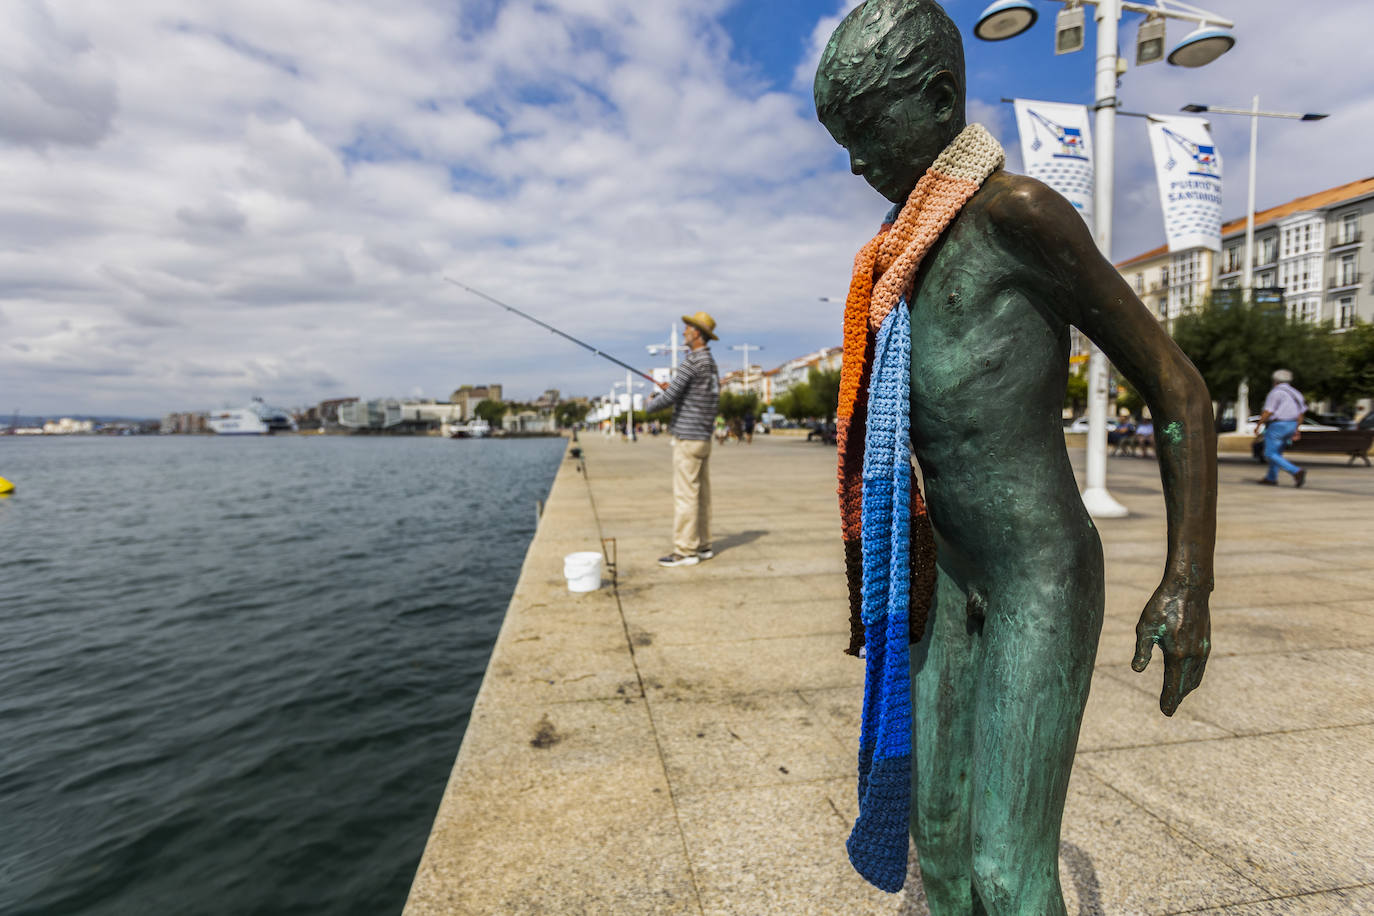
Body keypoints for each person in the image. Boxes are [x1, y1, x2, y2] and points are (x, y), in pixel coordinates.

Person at [813, 2, 1217, 910]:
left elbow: (1179, 387)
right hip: (949, 574)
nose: (856, 164)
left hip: (1041, 570)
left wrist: (1189, 578)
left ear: (938, 96)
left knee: (1006, 868)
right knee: (943, 844)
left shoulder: (1018, 215)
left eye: (868, 133)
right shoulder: (897, 261)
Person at [645, 312, 721, 567]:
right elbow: (692, 394)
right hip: (703, 436)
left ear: (697, 333)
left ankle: (685, 551)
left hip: (688, 438)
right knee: (701, 494)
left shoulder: (691, 362)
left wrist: (650, 404)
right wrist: (675, 390)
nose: (684, 333)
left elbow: (669, 398)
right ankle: (703, 544)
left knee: (686, 495)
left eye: (687, 329)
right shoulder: (709, 363)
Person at [1256, 369, 1307, 487]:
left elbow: (1269, 410)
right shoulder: (1296, 393)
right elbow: (1300, 414)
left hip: (1278, 425)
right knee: (1277, 453)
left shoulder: (1276, 392)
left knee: (1269, 453)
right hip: (1292, 424)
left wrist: (1259, 424)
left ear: (1275, 381)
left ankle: (1296, 471)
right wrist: (1297, 429)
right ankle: (1271, 477)